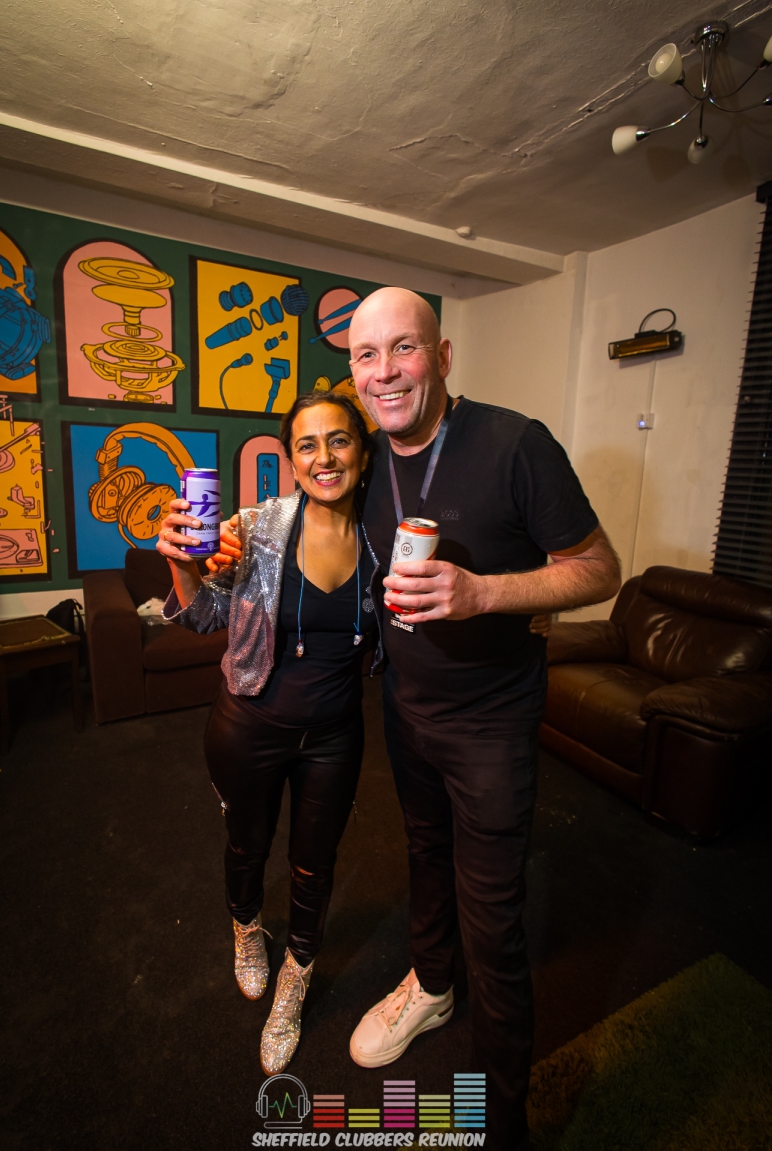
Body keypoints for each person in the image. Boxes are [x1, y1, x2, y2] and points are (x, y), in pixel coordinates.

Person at [216, 289, 620, 1150]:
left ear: (441, 356)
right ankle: (431, 987)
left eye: (404, 348)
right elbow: (301, 525)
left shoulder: (515, 443)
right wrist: (223, 544)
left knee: (494, 921)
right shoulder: (368, 465)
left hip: (490, 722)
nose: (385, 371)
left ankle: (502, 1123)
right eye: (367, 355)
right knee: (425, 859)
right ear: (354, 372)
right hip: (404, 707)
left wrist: (487, 594)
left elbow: (598, 569)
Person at [155, 392, 379, 1077]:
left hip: (335, 735)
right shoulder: (256, 528)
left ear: (362, 452)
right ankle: (247, 929)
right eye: (307, 445)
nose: (324, 457)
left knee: (315, 864)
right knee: (246, 845)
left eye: (339, 440)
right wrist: (183, 563)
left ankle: (295, 980)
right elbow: (202, 619)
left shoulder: (385, 534)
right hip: (248, 725)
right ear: (291, 460)